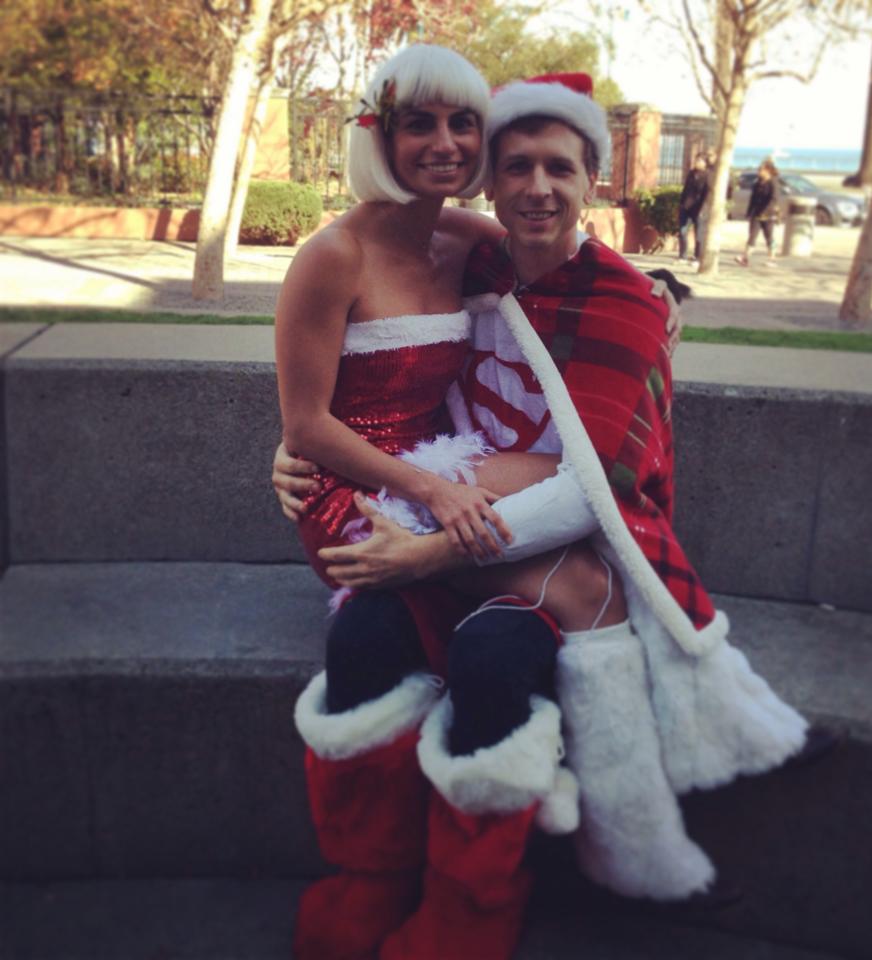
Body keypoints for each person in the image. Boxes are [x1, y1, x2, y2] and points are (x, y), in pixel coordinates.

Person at [280, 66, 825, 960]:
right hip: (418, 500)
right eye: (517, 165)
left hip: (510, 523)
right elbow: (318, 411)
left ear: (593, 181)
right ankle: (372, 883)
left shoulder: (587, 287)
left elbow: (599, 487)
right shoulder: (455, 252)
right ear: (492, 178)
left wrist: (430, 554)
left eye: (560, 169)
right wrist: (308, 457)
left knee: (509, 644)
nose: (536, 188)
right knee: (366, 638)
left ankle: (476, 909)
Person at [736, 157, 781, 266]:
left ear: (768, 171)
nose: (759, 172)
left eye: (761, 170)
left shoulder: (773, 183)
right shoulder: (758, 183)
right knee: (752, 236)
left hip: (768, 215)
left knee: (769, 237)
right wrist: (749, 212)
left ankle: (772, 258)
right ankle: (745, 258)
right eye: (758, 170)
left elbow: (774, 199)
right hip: (756, 214)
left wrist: (766, 210)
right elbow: (753, 199)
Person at [677, 152, 709, 262]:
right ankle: (682, 255)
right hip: (686, 207)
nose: (697, 163)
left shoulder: (708, 176)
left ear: (705, 163)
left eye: (700, 161)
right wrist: (681, 204)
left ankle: (697, 257)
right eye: (696, 160)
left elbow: (706, 194)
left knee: (699, 234)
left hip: (698, 209)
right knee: (682, 231)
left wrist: (702, 208)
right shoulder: (691, 173)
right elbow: (685, 189)